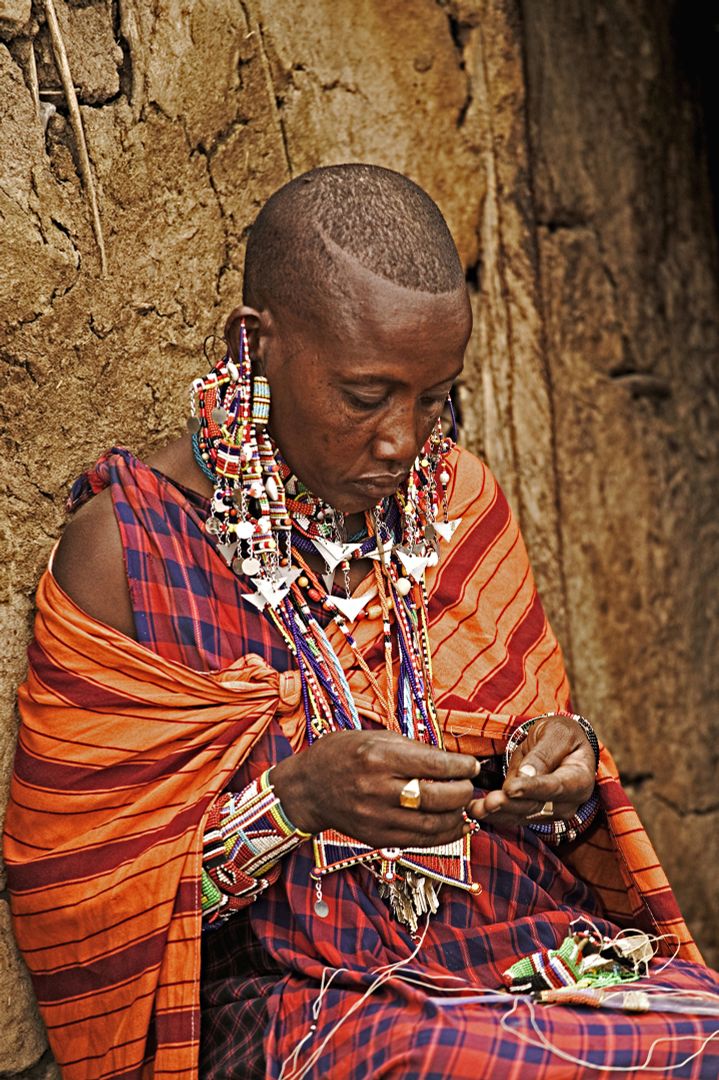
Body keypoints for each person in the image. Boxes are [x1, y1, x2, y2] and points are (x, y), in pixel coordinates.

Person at [5, 164, 719, 1079]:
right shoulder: (129, 553)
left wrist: (561, 770)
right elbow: (82, 906)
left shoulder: (457, 500)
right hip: (297, 1000)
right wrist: (293, 804)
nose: (402, 439)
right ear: (255, 345)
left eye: (434, 398)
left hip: (525, 956)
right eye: (365, 395)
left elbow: (538, 764)